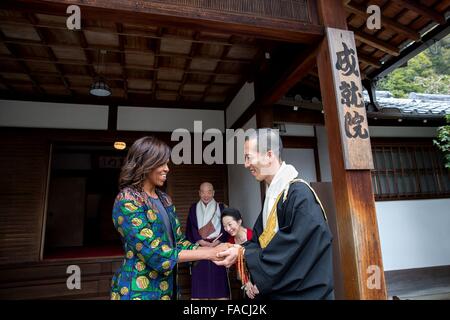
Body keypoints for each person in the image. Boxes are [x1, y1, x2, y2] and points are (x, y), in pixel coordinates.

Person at [215, 129, 334, 300]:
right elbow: (260, 240)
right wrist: (240, 250)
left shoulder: (299, 195)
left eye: (248, 157)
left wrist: (244, 254)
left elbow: (294, 247)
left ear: (269, 155)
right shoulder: (274, 195)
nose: (246, 164)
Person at [110, 136, 229, 300]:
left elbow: (180, 242)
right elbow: (155, 253)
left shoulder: (165, 199)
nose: (167, 168)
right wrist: (210, 253)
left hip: (169, 289)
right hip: (138, 290)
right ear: (146, 163)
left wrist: (218, 250)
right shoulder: (128, 199)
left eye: (167, 163)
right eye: (162, 163)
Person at [185, 182, 230, 300]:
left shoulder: (221, 208)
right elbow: (191, 228)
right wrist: (200, 241)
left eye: (209, 191)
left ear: (213, 193)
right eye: (203, 192)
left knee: (218, 282)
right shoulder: (193, 208)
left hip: (217, 246)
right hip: (200, 247)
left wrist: (219, 241)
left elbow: (226, 227)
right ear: (199, 193)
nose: (206, 195)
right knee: (200, 284)